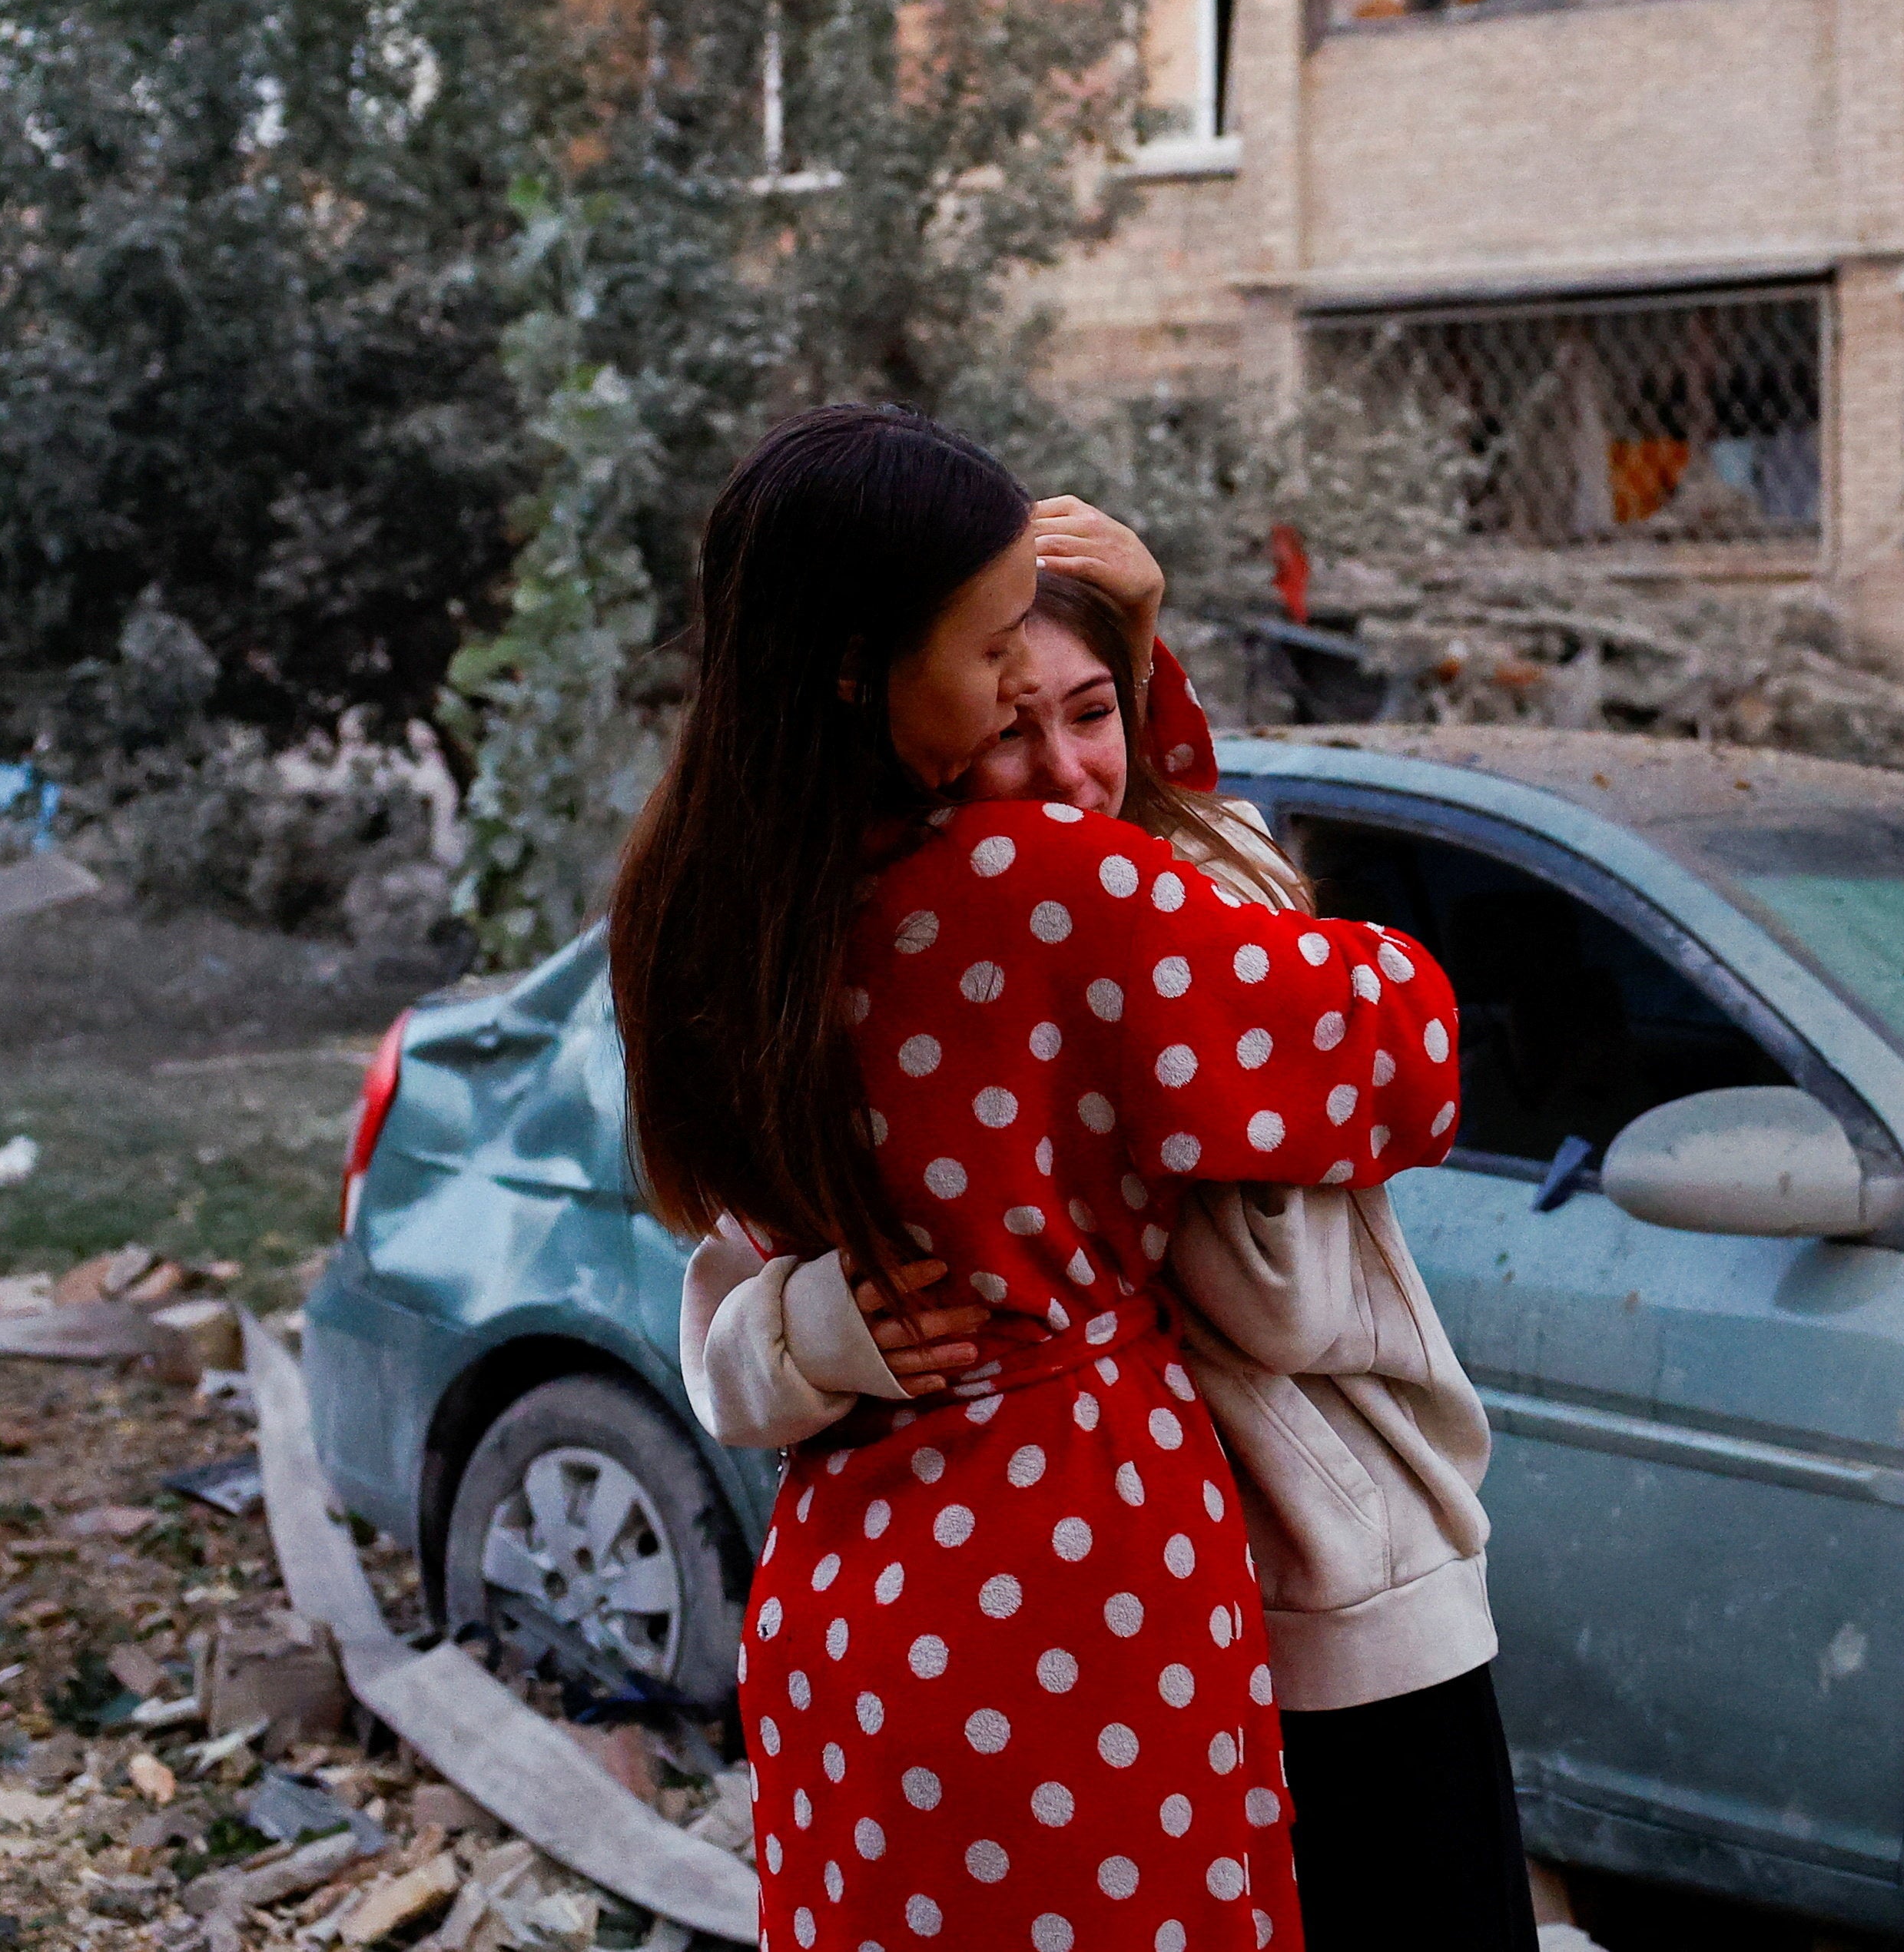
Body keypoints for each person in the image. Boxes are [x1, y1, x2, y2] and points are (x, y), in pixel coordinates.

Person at [613, 406, 1467, 1952]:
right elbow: (1389, 1050)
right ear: (863, 669)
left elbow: (1141, 901)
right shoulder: (1038, 893)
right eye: (998, 651)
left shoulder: (704, 902)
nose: (1022, 688)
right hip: (1082, 1581)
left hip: (846, 1595)